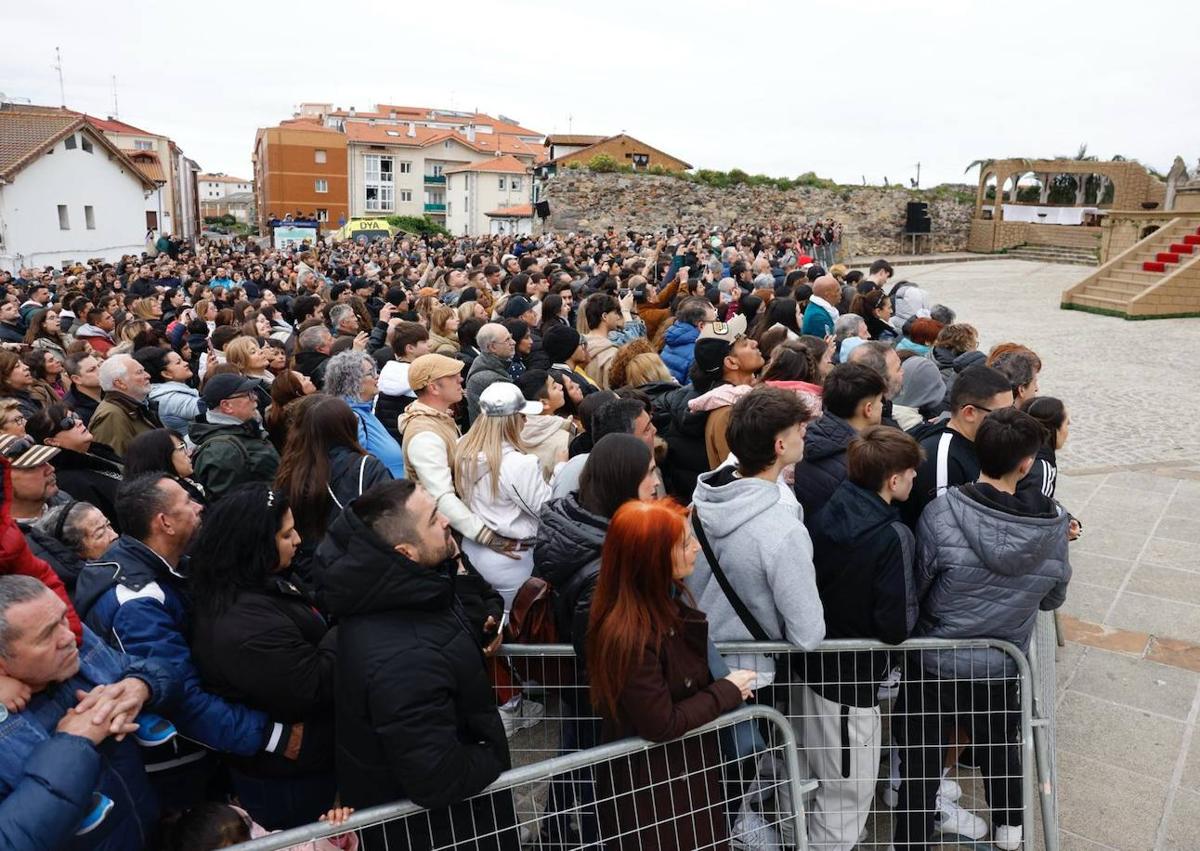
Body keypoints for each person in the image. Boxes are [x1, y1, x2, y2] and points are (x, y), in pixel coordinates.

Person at [894, 408, 1071, 851]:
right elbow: (1052, 597)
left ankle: (910, 840)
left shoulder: (941, 511)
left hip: (934, 659)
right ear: (1026, 464)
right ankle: (1011, 832)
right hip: (1000, 660)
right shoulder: (1053, 527)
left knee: (921, 758)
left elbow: (919, 583)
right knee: (1000, 748)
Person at [74, 473, 306, 810]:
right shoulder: (138, 603)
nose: (198, 507)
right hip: (179, 770)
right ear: (165, 522)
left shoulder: (169, 567)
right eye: (187, 502)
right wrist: (274, 736)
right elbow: (179, 697)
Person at [312, 479, 519, 850]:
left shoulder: (409, 590)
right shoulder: (404, 660)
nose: (446, 521)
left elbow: (447, 623)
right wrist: (492, 753)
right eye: (433, 518)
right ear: (405, 552)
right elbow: (437, 777)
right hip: (447, 832)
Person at [587, 498, 756, 851]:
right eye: (684, 543)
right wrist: (726, 690)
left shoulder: (653, 608)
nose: (695, 547)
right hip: (655, 793)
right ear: (652, 558)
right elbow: (661, 722)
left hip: (675, 781)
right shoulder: (630, 632)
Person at [188, 484, 338, 829]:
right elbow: (312, 684)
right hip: (291, 782)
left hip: (310, 760)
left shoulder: (263, 582)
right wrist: (349, 625)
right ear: (254, 546)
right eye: (286, 535)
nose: (298, 539)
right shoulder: (245, 627)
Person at [801, 426, 923, 850]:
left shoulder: (830, 506)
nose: (914, 481)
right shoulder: (891, 536)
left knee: (815, 780)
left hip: (811, 668)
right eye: (910, 474)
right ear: (893, 480)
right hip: (851, 684)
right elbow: (895, 625)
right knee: (846, 796)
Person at [0, 575, 179, 851]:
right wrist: (72, 745)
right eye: (47, 635)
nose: (69, 636)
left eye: (63, 618)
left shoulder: (74, 644)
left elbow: (155, 668)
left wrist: (141, 685)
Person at [688, 386, 825, 692]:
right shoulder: (783, 529)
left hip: (695, 663)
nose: (803, 434)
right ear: (779, 445)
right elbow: (808, 633)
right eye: (797, 430)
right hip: (750, 679)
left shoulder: (699, 504)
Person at [535, 433, 658, 644]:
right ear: (623, 480)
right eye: (650, 473)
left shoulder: (607, 535)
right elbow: (601, 655)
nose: (656, 482)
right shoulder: (603, 570)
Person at [455, 382, 553, 610]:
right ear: (511, 420)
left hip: (474, 553)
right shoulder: (519, 464)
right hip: (513, 561)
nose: (526, 421)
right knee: (514, 630)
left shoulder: (461, 448)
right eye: (522, 416)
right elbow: (546, 509)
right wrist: (559, 472)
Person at [274, 395, 393, 577]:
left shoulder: (289, 472)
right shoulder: (366, 468)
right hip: (361, 572)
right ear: (346, 426)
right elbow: (391, 521)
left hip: (310, 573)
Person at [902, 364, 1015, 528]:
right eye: (1002, 413)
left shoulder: (982, 441)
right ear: (969, 413)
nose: (1011, 419)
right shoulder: (941, 457)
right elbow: (942, 531)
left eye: (1012, 409)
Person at [792, 363, 887, 527]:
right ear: (868, 409)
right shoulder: (861, 461)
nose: (883, 406)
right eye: (880, 401)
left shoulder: (812, 435)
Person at [27, 403, 123, 525]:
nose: (79, 422)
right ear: (52, 441)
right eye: (68, 423)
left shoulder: (96, 452)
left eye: (75, 416)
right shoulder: (69, 481)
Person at [189, 373, 281, 500]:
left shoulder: (243, 429)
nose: (255, 398)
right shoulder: (222, 452)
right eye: (248, 394)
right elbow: (235, 508)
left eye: (253, 392)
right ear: (226, 406)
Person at [324, 350, 405, 478]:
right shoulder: (351, 416)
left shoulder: (363, 410)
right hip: (382, 493)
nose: (377, 376)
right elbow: (355, 468)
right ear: (353, 382)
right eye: (370, 373)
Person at [88, 355, 161, 458]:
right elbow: (117, 464)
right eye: (139, 372)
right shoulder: (111, 416)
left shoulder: (136, 405)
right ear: (120, 383)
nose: (148, 375)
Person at [124, 428, 207, 504]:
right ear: (161, 458)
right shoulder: (170, 502)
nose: (189, 453)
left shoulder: (188, 482)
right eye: (181, 448)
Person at [516, 369, 572, 481]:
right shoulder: (565, 440)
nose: (561, 386)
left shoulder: (513, 433)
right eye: (554, 387)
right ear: (544, 403)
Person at [135, 346, 201, 438]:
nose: (186, 363)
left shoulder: (167, 391)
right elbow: (210, 409)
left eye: (182, 360)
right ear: (166, 374)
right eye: (178, 363)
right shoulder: (171, 398)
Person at [465, 322, 517, 424]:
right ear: (492, 347)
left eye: (511, 337)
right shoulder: (490, 380)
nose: (513, 342)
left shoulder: (482, 361)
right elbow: (514, 416)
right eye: (507, 340)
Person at [660, 296, 715, 383]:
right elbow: (693, 392)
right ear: (701, 326)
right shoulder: (699, 353)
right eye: (714, 321)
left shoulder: (674, 337)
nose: (717, 324)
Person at [63, 354, 104, 426]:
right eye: (92, 370)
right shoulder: (74, 413)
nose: (100, 370)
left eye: (99, 365)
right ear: (77, 379)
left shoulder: (110, 389)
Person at [0, 351, 42, 421]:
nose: (26, 367)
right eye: (17, 366)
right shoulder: (11, 406)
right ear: (5, 378)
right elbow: (41, 429)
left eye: (23, 363)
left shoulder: (25, 395)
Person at [294, 325, 333, 390]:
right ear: (320, 349)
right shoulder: (327, 366)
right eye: (330, 340)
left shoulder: (300, 364)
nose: (335, 340)